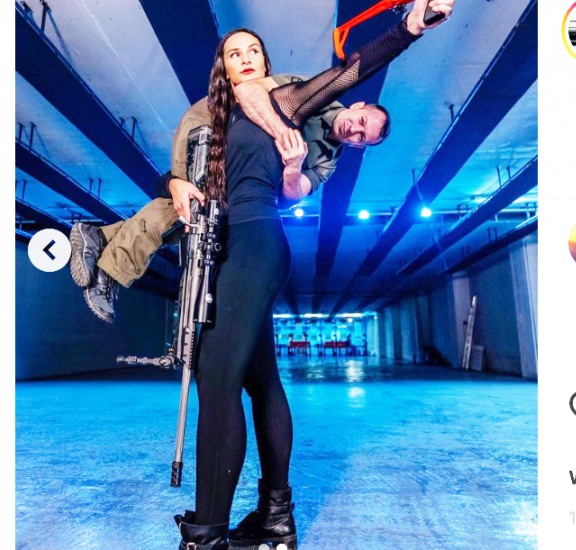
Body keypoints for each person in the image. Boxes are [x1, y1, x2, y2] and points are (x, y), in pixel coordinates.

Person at [174, 1, 454, 549]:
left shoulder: (287, 102)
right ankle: (276, 518)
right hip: (226, 245)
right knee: (260, 381)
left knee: (218, 382)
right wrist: (174, 181)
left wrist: (409, 28)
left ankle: (207, 535)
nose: (245, 58)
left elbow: (351, 70)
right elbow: (189, 172)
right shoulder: (219, 117)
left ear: (267, 63)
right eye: (234, 53)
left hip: (255, 243)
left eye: (254, 51)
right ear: (224, 67)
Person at [69, 75, 394, 323]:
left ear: (359, 146)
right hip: (216, 129)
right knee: (191, 208)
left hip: (234, 173)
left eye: (361, 137)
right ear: (358, 106)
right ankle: (110, 272)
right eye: (362, 121)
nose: (355, 130)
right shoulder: (317, 89)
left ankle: (98, 237)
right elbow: (252, 93)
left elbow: (292, 195)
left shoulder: (328, 161)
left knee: (182, 217)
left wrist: (294, 166)